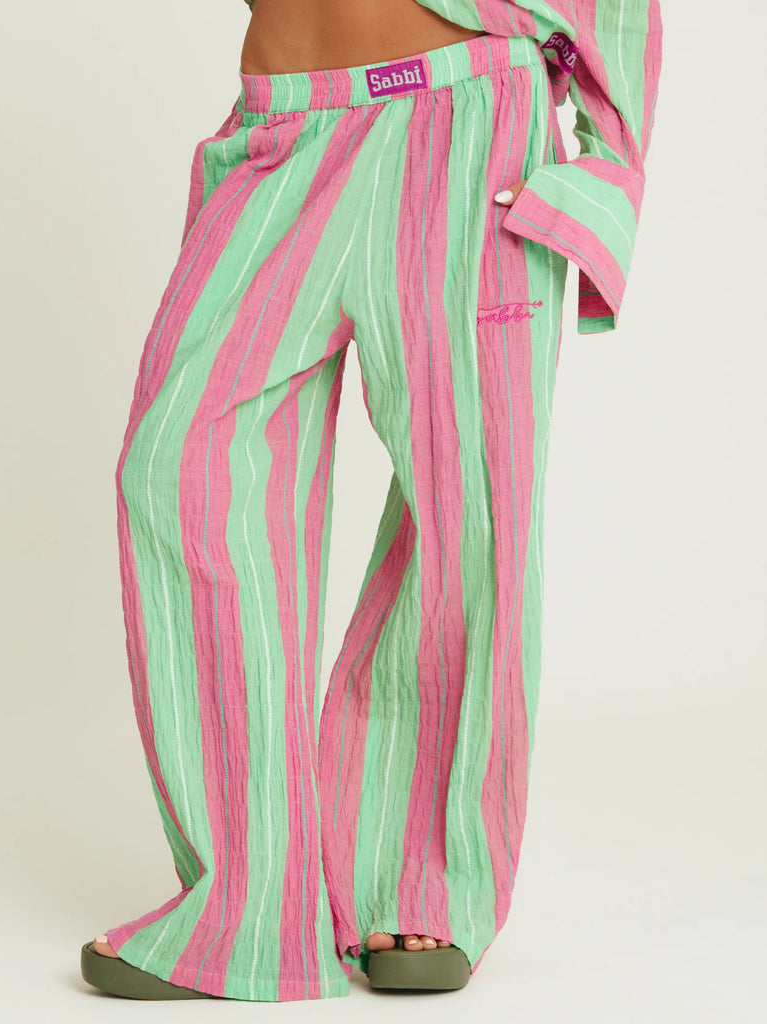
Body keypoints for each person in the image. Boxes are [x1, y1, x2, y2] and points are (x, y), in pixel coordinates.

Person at [80, 0, 662, 1003]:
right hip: (280, 128)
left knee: (466, 511)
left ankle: (418, 881)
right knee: (177, 469)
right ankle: (247, 908)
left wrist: (607, 164)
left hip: (466, 127)